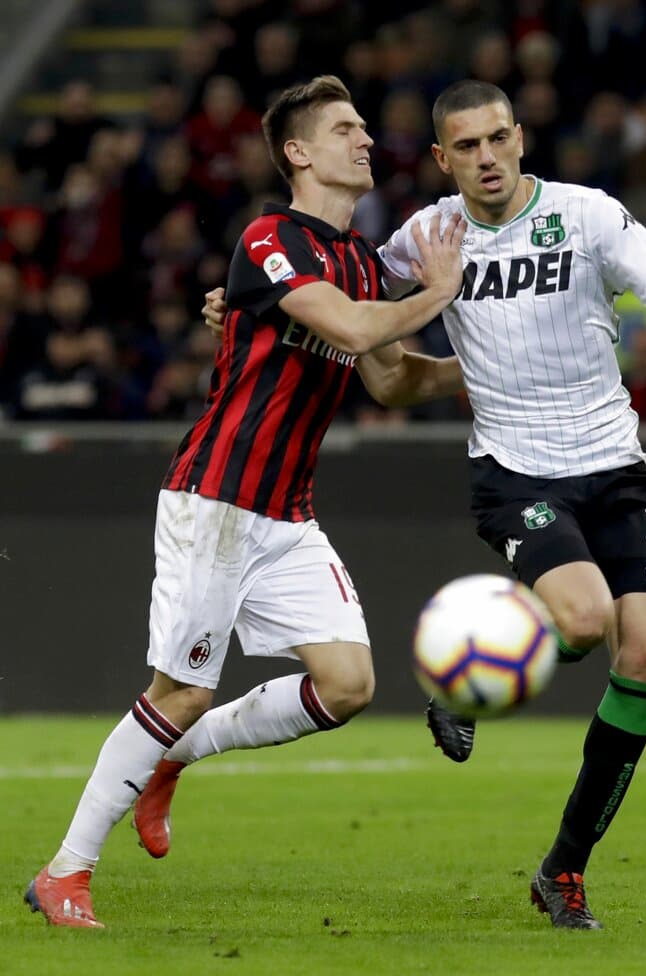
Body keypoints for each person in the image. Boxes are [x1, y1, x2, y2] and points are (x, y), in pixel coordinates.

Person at [192, 79, 646, 931]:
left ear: (520, 139)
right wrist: (243, 301)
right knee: (586, 621)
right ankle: (466, 676)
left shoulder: (589, 217)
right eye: (466, 147)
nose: (486, 158)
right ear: (444, 159)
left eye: (498, 140)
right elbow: (337, 292)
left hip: (616, 466)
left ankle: (563, 871)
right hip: (516, 472)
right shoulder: (426, 238)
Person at [25, 74, 466, 929]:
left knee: (346, 685)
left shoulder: (362, 266)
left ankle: (168, 761)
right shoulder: (271, 237)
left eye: (366, 127)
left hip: (287, 514)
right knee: (179, 690)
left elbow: (390, 377)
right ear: (299, 152)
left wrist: (482, 373)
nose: (366, 139)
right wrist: (437, 295)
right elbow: (345, 329)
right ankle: (64, 873)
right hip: (218, 500)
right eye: (345, 129)